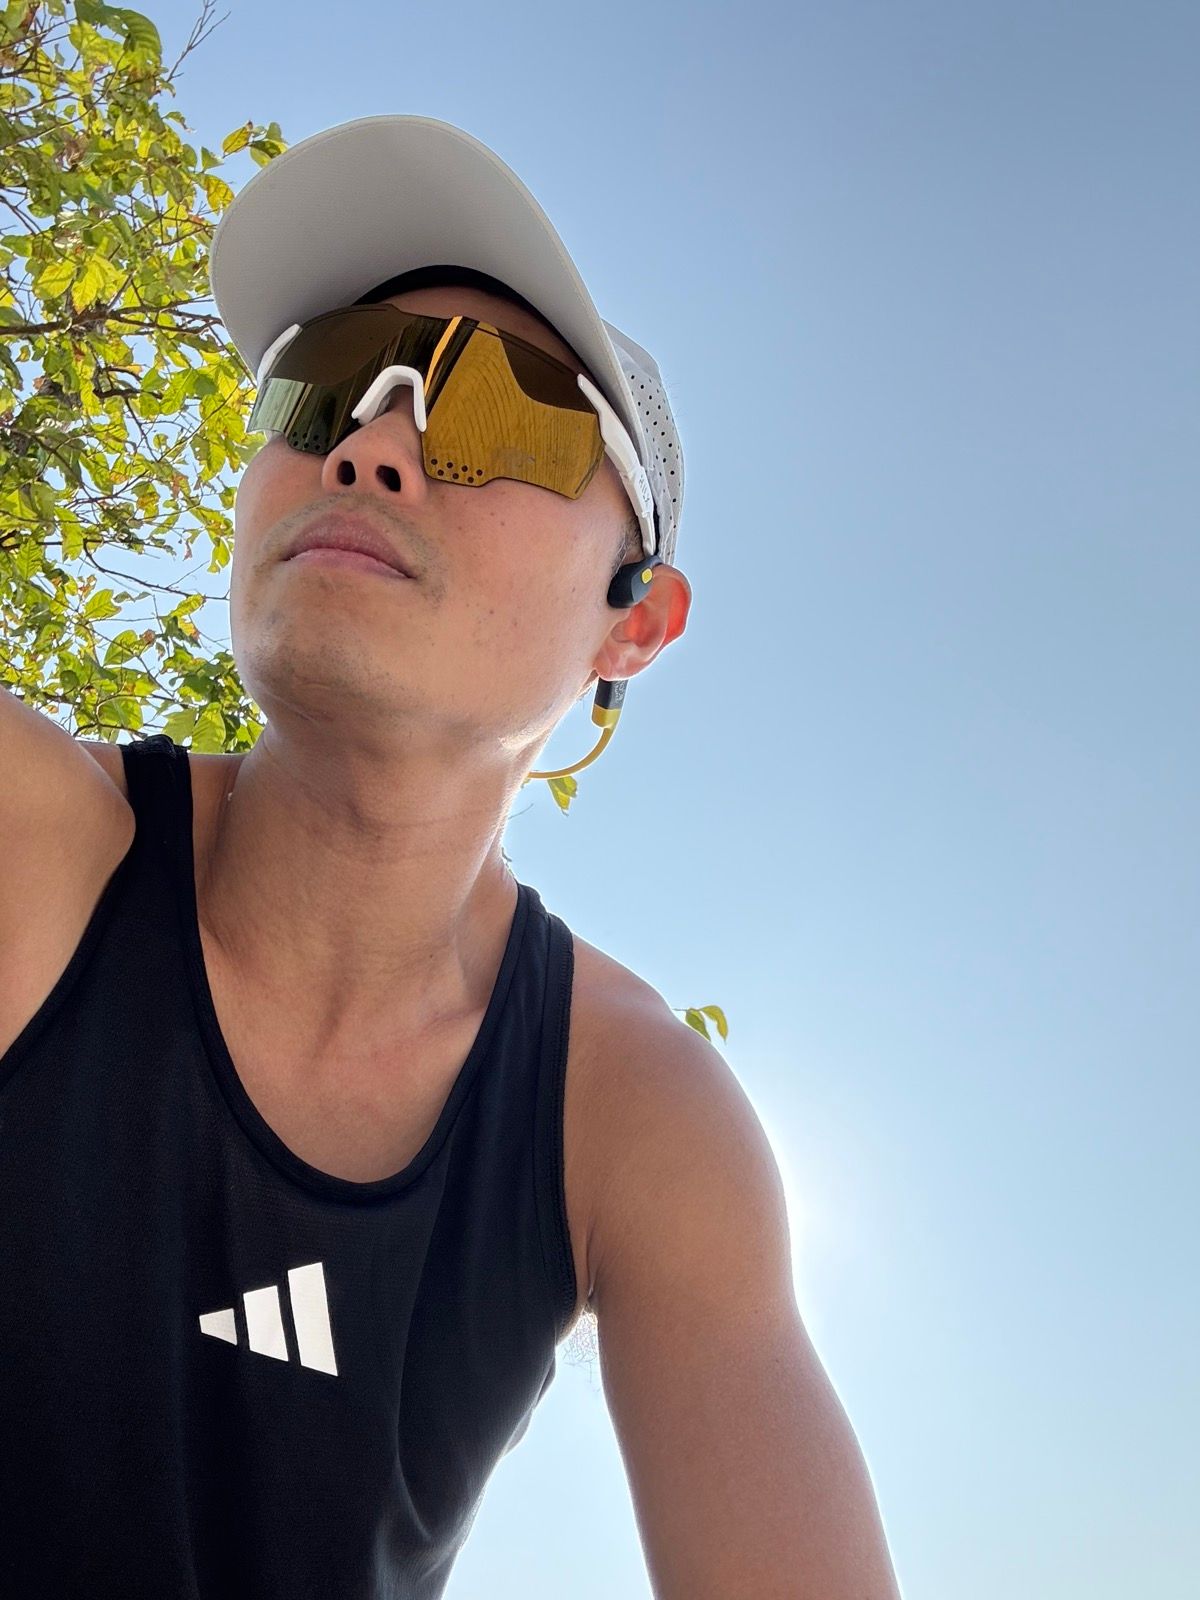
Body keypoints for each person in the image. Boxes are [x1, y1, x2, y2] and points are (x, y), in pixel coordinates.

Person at [0, 116, 902, 1599]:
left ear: (636, 619)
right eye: (325, 382)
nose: (368, 446)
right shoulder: (33, 844)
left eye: (501, 417)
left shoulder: (633, 1119)